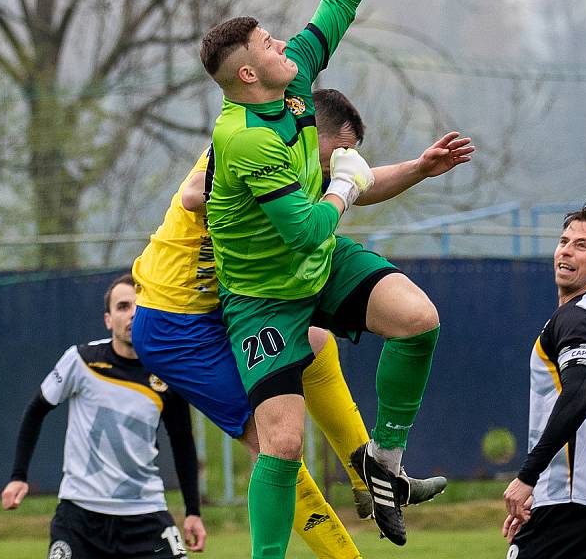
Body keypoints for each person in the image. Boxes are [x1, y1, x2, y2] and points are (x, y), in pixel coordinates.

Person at [200, 0, 446, 556]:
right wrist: (343, 181)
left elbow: (339, 1)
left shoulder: (295, 81)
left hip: (318, 264)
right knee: (282, 443)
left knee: (419, 320)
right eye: (270, 45)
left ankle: (387, 465)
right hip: (262, 299)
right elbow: (307, 224)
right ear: (249, 74)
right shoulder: (243, 140)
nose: (286, 45)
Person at [131, 86, 472, 559]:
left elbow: (359, 183)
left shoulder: (311, 162)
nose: (341, 164)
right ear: (309, 132)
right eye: (338, 152)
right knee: (278, 444)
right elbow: (192, 195)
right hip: (179, 323)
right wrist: (313, 193)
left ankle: (373, 473)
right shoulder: (249, 146)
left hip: (245, 294)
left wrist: (418, 167)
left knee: (320, 342)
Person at [1, 274, 206, 559]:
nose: (133, 314)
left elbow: (183, 442)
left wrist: (193, 511)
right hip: (80, 517)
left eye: (140, 305)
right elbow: (37, 410)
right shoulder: (81, 361)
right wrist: (18, 476)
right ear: (108, 319)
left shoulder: (167, 372)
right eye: (123, 307)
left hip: (145, 514)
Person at [502, 206, 586, 559]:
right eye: (564, 241)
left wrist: (528, 476)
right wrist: (539, 493)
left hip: (575, 496)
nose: (567, 250)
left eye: (582, 245)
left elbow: (577, 395)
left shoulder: (580, 319)